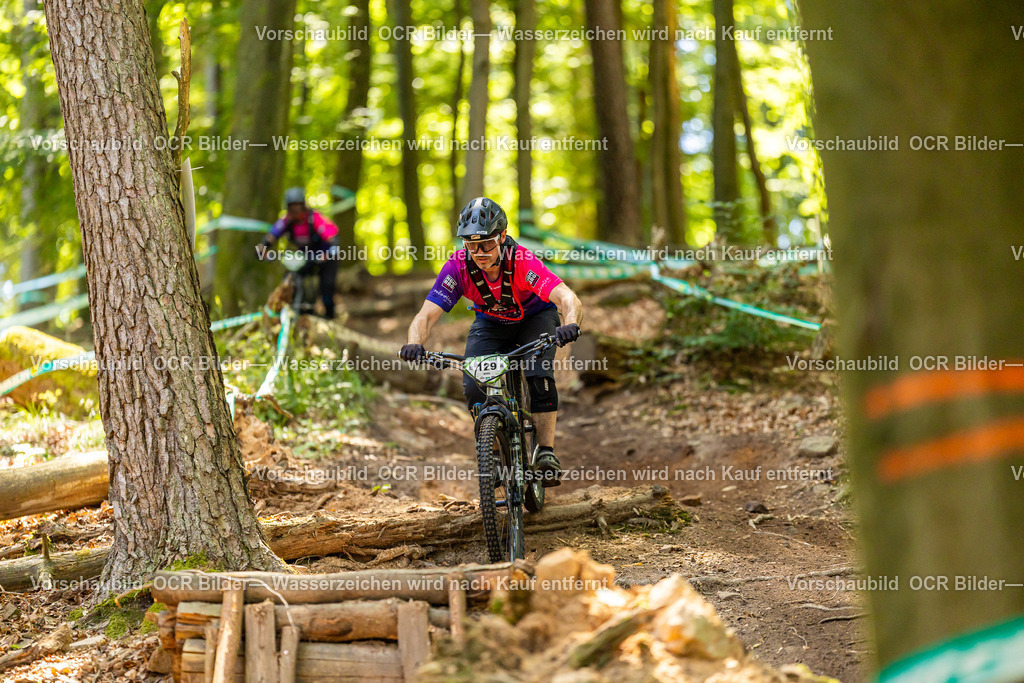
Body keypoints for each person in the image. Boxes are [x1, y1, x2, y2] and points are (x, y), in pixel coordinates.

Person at [401, 197, 583, 486]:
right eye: (471, 245)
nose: (478, 252)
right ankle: (495, 454)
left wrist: (570, 322)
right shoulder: (458, 266)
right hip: (490, 323)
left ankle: (546, 451)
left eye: (485, 244)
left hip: (535, 318)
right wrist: (414, 343)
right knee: (473, 385)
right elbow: (426, 315)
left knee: (538, 375)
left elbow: (566, 297)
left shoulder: (522, 261)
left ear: (501, 236)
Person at [257, 187, 340, 319]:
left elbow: (332, 237)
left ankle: (330, 318)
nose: (295, 211)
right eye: (292, 207)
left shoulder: (315, 218)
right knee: (291, 279)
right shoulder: (287, 220)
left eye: (298, 206)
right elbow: (272, 235)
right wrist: (263, 248)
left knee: (327, 290)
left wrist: (331, 252)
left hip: (325, 257)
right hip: (305, 257)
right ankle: (293, 313)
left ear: (303, 205)